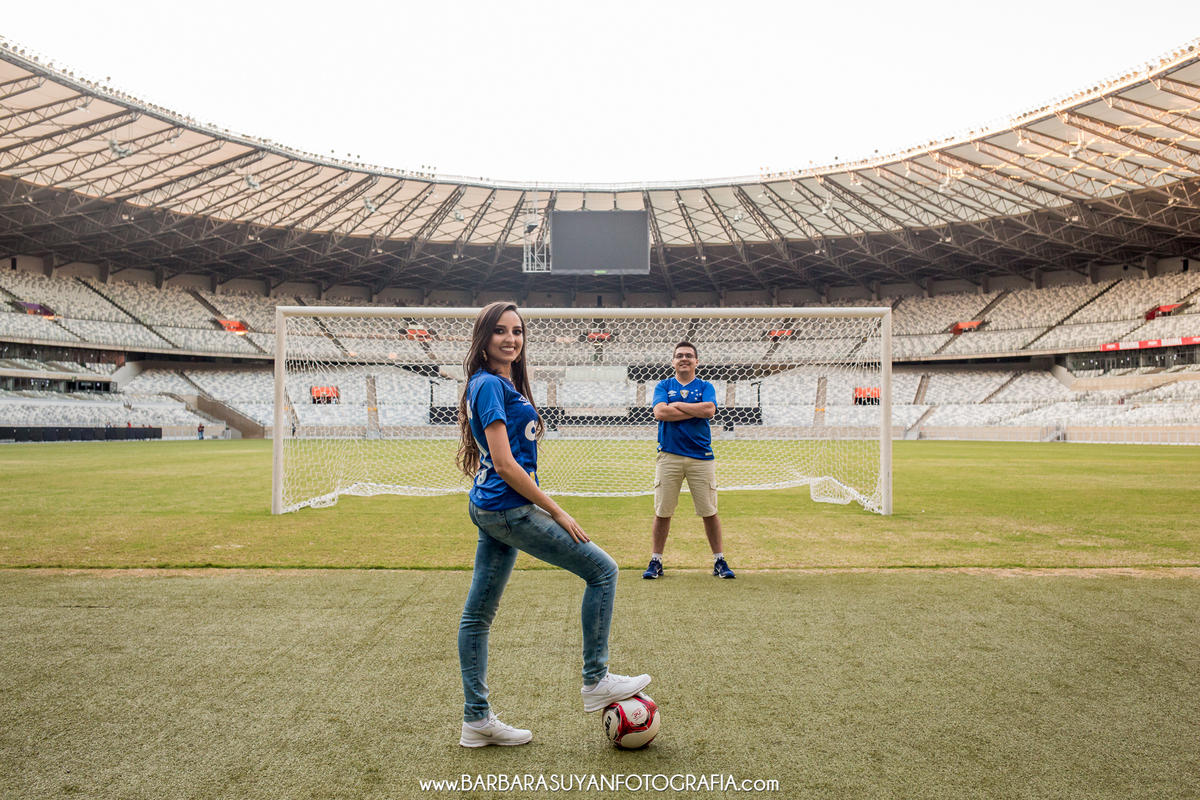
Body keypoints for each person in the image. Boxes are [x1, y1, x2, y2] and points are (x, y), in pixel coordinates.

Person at [456, 301, 650, 748]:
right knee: (603, 570)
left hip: (492, 505)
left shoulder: (501, 383)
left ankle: (476, 721)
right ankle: (596, 680)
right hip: (507, 508)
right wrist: (557, 511)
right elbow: (504, 462)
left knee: (478, 615)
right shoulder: (488, 385)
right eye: (501, 331)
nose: (511, 339)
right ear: (484, 338)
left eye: (518, 331)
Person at [643, 341, 735, 580]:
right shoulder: (664, 385)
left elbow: (709, 411)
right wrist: (694, 408)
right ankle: (656, 561)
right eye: (679, 356)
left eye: (688, 356)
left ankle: (719, 560)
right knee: (663, 511)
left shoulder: (705, 385)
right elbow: (660, 413)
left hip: (701, 457)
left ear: (696, 361)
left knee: (709, 511)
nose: (684, 359)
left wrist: (678, 405)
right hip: (669, 456)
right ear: (673, 361)